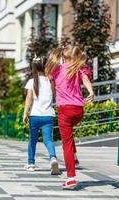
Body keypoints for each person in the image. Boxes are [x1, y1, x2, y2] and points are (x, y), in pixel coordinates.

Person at [45, 45, 94, 189]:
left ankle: (71, 178)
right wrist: (91, 92)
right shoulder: (79, 69)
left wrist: (54, 95)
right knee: (69, 135)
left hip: (64, 110)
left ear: (63, 57)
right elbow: (85, 79)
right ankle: (74, 156)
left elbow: (52, 84)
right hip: (78, 110)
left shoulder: (56, 70)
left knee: (66, 142)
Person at [23, 56, 60, 175]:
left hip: (34, 116)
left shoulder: (32, 81)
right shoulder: (51, 81)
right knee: (48, 140)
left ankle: (31, 164)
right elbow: (56, 97)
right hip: (48, 116)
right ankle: (53, 158)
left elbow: (29, 98)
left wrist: (25, 113)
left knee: (32, 141)